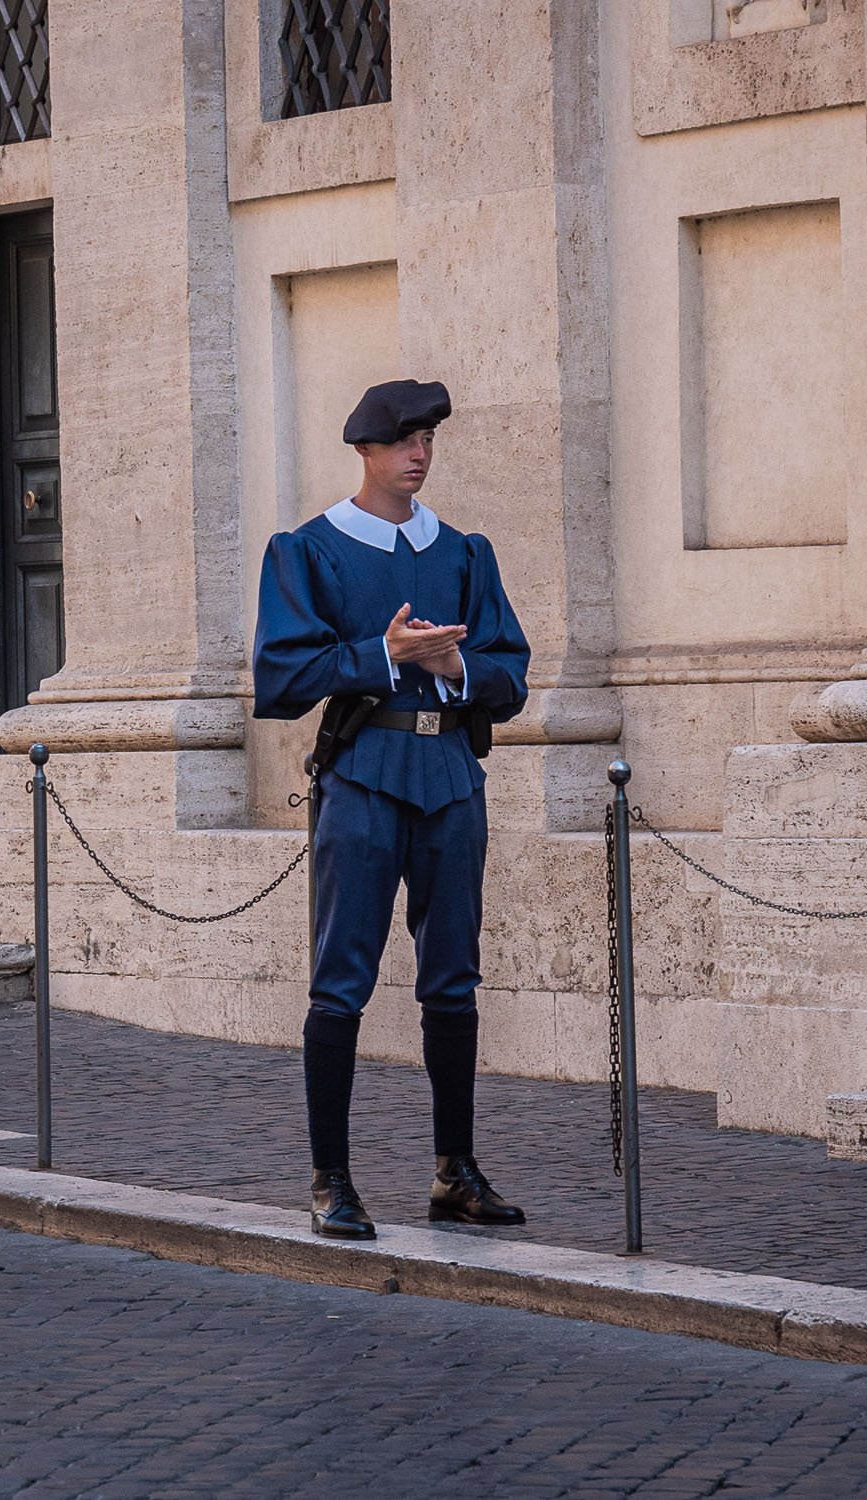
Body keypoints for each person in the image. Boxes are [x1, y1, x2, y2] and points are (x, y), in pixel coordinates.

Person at [252, 378, 531, 1239]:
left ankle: (456, 1170)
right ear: (366, 450)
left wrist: (456, 671)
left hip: (451, 775)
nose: (420, 453)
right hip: (363, 777)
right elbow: (280, 678)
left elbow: (512, 675)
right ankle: (330, 1179)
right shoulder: (309, 551)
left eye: (429, 440)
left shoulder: (464, 553)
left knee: (453, 981)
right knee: (343, 979)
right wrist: (382, 652)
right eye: (405, 439)